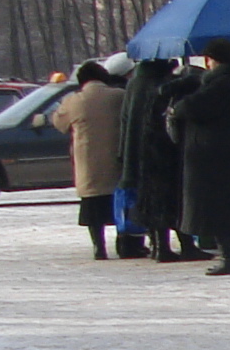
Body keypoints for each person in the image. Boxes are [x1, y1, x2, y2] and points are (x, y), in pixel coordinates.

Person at [166, 39, 230, 276]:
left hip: (214, 155)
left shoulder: (223, 84)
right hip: (226, 153)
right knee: (224, 206)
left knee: (219, 207)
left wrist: (178, 107)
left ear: (216, 60)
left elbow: (193, 107)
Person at [51, 61, 125, 258]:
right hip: (116, 160)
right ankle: (124, 242)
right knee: (119, 205)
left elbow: (59, 123)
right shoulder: (119, 96)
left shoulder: (74, 101)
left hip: (88, 162)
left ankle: (99, 247)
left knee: (93, 207)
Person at [121, 56, 185, 262]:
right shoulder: (159, 85)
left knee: (150, 198)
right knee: (169, 197)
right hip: (160, 149)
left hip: (138, 150)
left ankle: (159, 245)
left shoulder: (134, 84)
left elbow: (125, 120)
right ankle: (172, 246)